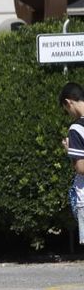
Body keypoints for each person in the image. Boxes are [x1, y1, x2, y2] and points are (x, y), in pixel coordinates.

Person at [60, 83, 84, 257]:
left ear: (69, 102)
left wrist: (70, 153)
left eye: (66, 110)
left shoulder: (76, 129)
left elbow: (80, 167)